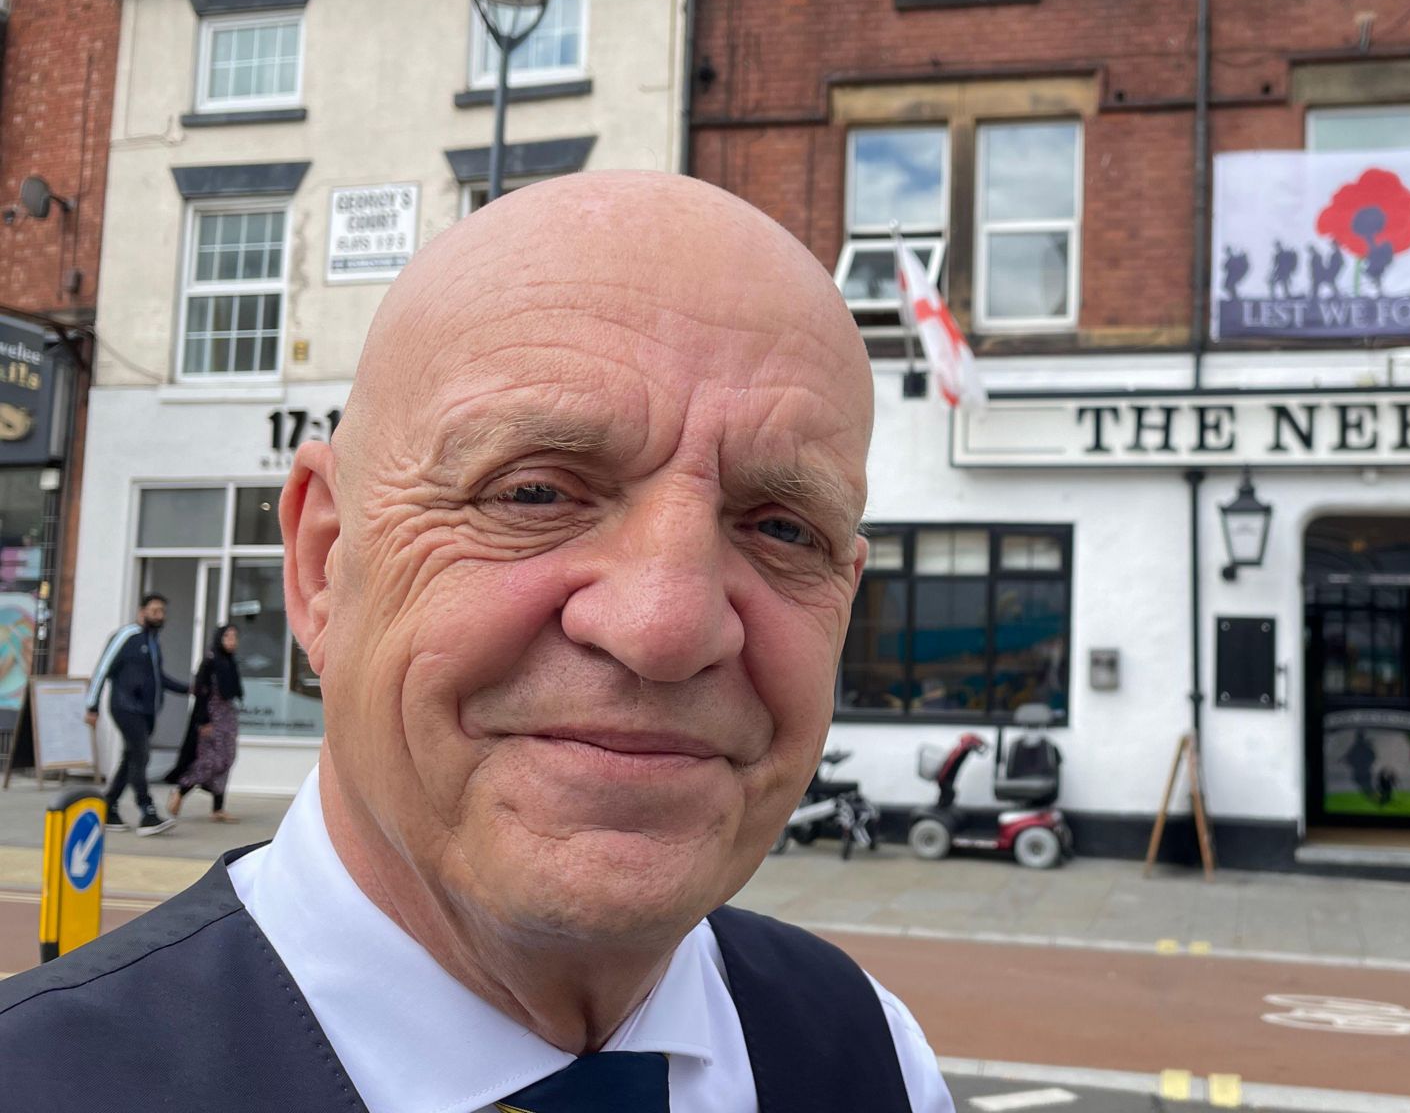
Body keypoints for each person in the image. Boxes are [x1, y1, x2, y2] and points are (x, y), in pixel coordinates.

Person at [0, 173, 950, 1112]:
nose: (667, 626)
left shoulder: (875, 1058)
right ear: (323, 564)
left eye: (784, 530)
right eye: (535, 493)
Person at [82, 592, 188, 836]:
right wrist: (92, 706)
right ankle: (147, 812)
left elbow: (158, 678)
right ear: (142, 612)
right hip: (125, 707)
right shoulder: (126, 636)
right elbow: (102, 670)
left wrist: (188, 689)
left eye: (162, 611)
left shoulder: (152, 642)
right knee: (140, 756)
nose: (159, 615)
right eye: (154, 611)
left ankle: (108, 807)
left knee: (130, 758)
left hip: (146, 711)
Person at [165, 624, 243, 822]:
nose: (232, 641)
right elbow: (201, 692)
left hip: (227, 718)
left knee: (227, 760)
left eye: (235, 637)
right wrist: (203, 721)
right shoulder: (210, 661)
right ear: (219, 638)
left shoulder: (230, 662)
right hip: (211, 718)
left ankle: (217, 808)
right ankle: (181, 791)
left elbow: (233, 692)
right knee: (210, 762)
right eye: (228, 636)